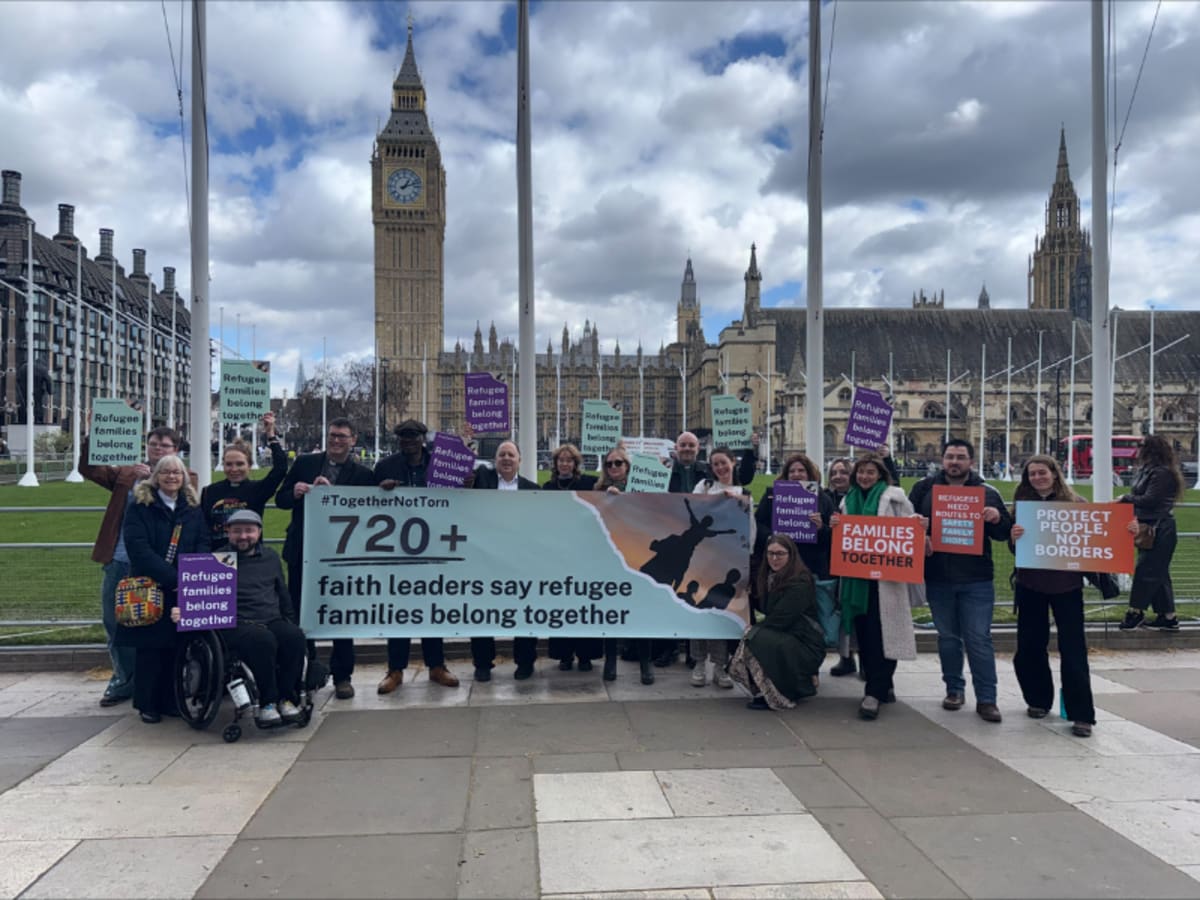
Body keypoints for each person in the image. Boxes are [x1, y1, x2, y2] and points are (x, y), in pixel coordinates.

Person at [80, 418, 192, 708]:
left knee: (158, 624)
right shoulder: (127, 474)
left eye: (164, 446)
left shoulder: (184, 475)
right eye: (153, 444)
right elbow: (89, 468)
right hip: (122, 560)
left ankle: (155, 682)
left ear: (176, 450)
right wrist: (97, 431)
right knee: (116, 622)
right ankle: (124, 678)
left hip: (161, 563)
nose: (157, 450)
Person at [908, 439, 1012, 723]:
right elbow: (906, 524)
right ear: (942, 460)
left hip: (976, 579)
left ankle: (987, 699)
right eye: (950, 457)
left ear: (971, 461)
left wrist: (995, 519)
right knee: (948, 639)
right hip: (938, 577)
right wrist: (921, 533)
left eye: (960, 457)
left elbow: (1005, 532)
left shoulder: (987, 492)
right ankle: (954, 690)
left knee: (979, 639)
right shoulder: (924, 489)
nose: (954, 462)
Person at [174, 509, 307, 725]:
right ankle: (268, 701)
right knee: (262, 641)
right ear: (228, 532)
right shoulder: (215, 561)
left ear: (259, 532)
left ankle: (287, 698)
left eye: (249, 531)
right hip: (236, 622)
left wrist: (290, 620)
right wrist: (185, 610)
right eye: (237, 531)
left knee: (294, 637)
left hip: (270, 618)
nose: (243, 536)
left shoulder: (271, 557)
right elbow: (200, 596)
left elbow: (282, 593)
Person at [275, 417, 376, 700]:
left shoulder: (363, 475)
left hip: (340, 558)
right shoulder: (306, 464)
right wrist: (295, 492)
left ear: (353, 440)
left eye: (342, 437)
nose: (336, 441)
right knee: (300, 613)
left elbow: (370, 515)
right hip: (303, 552)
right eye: (332, 435)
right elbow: (281, 498)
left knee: (341, 615)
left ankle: (342, 676)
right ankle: (305, 670)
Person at [371, 419, 463, 693]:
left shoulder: (441, 465)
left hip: (435, 545)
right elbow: (365, 503)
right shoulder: (385, 468)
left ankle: (436, 666)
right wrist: (380, 491)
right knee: (399, 609)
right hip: (398, 548)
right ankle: (395, 669)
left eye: (413, 436)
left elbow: (461, 497)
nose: (407, 441)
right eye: (403, 437)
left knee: (432, 606)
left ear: (424, 438)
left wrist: (467, 481)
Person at [1008, 456, 1095, 738]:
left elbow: (1095, 538)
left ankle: (1081, 714)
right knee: (1030, 646)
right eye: (1032, 474)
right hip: (1031, 584)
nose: (1037, 478)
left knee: (1073, 650)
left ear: (1055, 474)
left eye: (1041, 472)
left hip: (1066, 585)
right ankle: (1038, 699)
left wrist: (1127, 529)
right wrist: (1014, 537)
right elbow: (1014, 549)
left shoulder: (1077, 504)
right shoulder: (1021, 507)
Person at [119, 455, 210, 723]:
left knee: (176, 647)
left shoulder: (192, 508)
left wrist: (191, 575)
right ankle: (147, 703)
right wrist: (172, 576)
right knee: (150, 649)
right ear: (156, 476)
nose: (172, 477)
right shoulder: (140, 506)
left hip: (182, 586)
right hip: (151, 586)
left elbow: (202, 542)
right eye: (166, 472)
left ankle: (171, 700)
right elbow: (139, 549)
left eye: (177, 473)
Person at [830, 453, 921, 721]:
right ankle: (881, 685)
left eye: (870, 472)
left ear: (880, 474)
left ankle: (874, 692)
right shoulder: (848, 500)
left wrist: (919, 524)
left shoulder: (895, 498)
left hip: (886, 581)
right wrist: (836, 525)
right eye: (861, 472)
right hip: (858, 582)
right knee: (867, 637)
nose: (865, 477)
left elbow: (910, 528)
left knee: (886, 635)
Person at [729, 535, 825, 710]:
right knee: (753, 636)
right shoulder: (770, 577)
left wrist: (753, 631)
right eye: (771, 553)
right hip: (788, 635)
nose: (774, 558)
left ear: (791, 555)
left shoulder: (800, 581)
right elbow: (768, 609)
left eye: (780, 554)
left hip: (805, 643)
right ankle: (766, 688)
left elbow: (781, 619)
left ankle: (777, 695)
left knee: (754, 638)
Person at [471, 440, 540, 681]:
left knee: (524, 611)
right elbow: (462, 477)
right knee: (481, 613)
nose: (507, 459)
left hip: (520, 563)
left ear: (520, 460)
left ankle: (525, 662)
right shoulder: (481, 482)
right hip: (485, 560)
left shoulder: (533, 489)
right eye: (502, 455)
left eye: (511, 455)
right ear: (495, 461)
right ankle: (482, 663)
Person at [689, 447, 754, 689]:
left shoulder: (744, 493)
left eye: (723, 463)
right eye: (715, 464)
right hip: (702, 560)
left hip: (730, 563)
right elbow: (693, 514)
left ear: (733, 462)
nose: (720, 468)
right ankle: (698, 663)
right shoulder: (704, 487)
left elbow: (751, 529)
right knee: (698, 613)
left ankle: (720, 665)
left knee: (722, 615)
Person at [591, 445, 655, 685]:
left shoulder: (644, 488)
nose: (614, 467)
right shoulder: (597, 491)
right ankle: (610, 660)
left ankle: (645, 662)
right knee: (611, 611)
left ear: (628, 466)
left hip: (639, 556)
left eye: (619, 463)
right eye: (609, 464)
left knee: (641, 611)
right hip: (609, 558)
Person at [1119, 434, 1184, 632]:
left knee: (1146, 571)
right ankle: (1167, 616)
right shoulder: (1152, 471)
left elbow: (1150, 499)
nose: (1138, 450)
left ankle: (1135, 612)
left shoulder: (1160, 473)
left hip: (1158, 527)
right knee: (1159, 573)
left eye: (1141, 446)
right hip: (1152, 527)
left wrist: (1125, 498)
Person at [199, 413, 289, 545]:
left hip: (249, 558)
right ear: (223, 465)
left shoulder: (258, 489)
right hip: (218, 559)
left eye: (240, 464)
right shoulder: (209, 492)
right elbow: (203, 530)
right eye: (229, 464)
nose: (234, 469)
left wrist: (271, 435)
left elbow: (281, 468)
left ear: (250, 465)